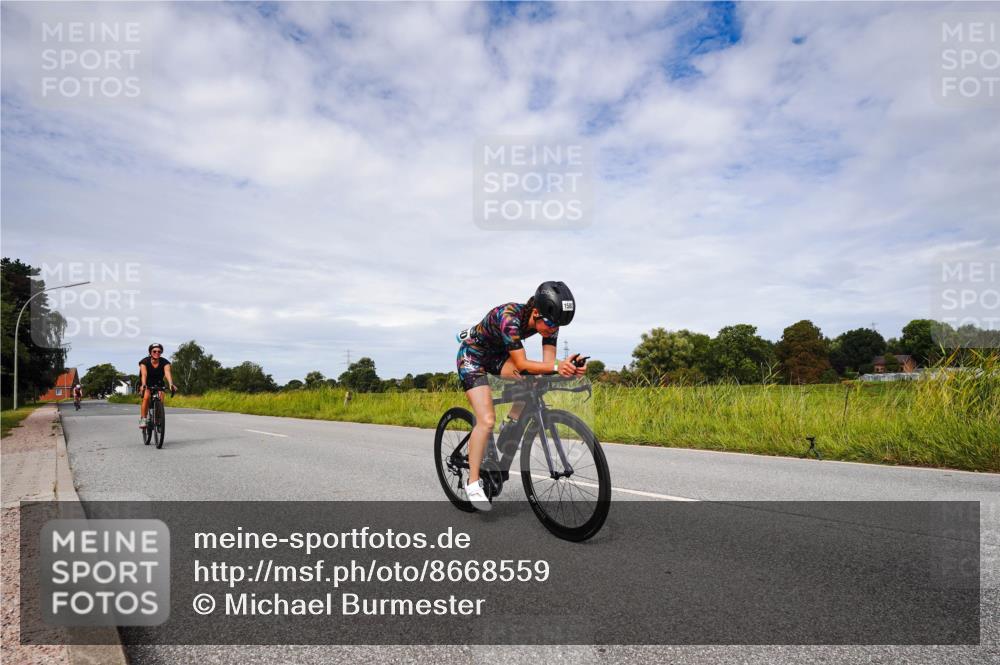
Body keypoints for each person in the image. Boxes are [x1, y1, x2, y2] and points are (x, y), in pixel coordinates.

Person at [456, 281, 586, 511]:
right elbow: (522, 363)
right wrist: (558, 367)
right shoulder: (509, 318)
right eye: (550, 324)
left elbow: (546, 367)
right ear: (536, 311)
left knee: (534, 380)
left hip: (498, 356)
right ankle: (473, 482)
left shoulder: (549, 323)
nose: (553, 330)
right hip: (473, 357)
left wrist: (569, 370)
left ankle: (511, 423)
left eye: (558, 326)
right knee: (486, 420)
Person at [139, 343, 177, 429]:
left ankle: (158, 420)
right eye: (154, 351)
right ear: (150, 352)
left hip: (159, 382)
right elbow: (144, 374)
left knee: (161, 397)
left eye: (159, 351)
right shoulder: (144, 362)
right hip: (147, 382)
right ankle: (143, 419)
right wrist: (143, 385)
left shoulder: (165, 362)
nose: (157, 353)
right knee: (146, 397)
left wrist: (171, 384)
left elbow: (167, 373)